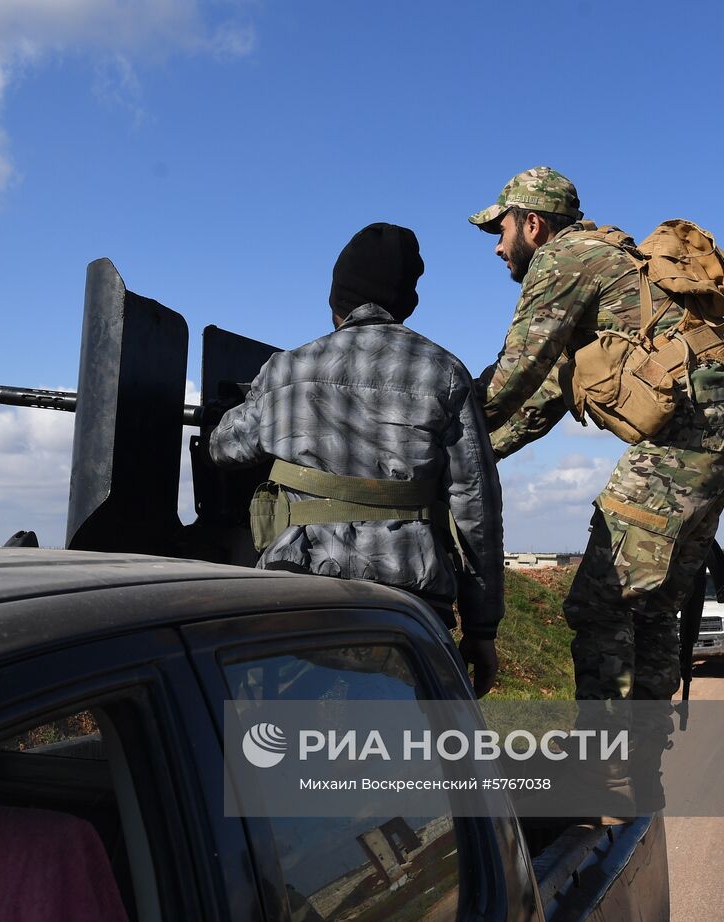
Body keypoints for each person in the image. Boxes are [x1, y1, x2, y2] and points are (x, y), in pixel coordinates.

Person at [468, 167, 724, 703]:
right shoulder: (609, 267)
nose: (497, 248)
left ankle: (604, 769)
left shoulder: (564, 257)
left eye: (500, 231)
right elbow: (544, 398)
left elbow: (515, 372)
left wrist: (437, 433)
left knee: (601, 603)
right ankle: (640, 763)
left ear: (532, 224)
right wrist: (476, 452)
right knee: (648, 608)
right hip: (723, 437)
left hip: (685, 442)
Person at [209, 223, 505, 694]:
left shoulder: (284, 369)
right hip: (405, 605)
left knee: (278, 754)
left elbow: (225, 448)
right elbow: (477, 506)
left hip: (294, 595)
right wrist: (482, 629)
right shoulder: (445, 373)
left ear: (335, 302)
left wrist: (255, 405)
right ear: (408, 303)